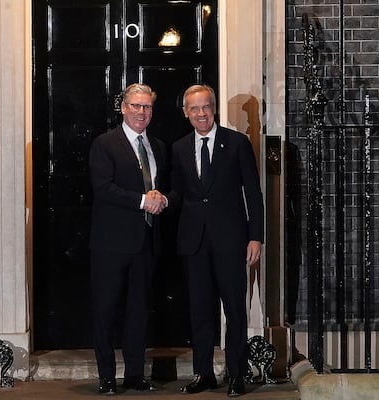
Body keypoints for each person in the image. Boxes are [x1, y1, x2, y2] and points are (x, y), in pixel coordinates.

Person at [167, 84, 264, 397]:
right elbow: (178, 193)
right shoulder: (180, 148)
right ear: (186, 113)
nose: (201, 113)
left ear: (214, 109)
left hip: (231, 241)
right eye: (194, 109)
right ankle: (204, 373)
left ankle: (237, 375)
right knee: (200, 311)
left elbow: (253, 192)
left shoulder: (236, 143)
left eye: (205, 107)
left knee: (235, 310)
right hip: (194, 244)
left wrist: (255, 237)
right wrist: (160, 199)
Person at [88, 83, 167, 395]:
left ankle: (135, 375)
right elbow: (103, 188)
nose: (141, 112)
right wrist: (142, 200)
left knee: (139, 311)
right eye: (136, 106)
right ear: (123, 108)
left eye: (147, 107)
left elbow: (163, 187)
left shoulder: (157, 146)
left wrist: (161, 198)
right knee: (106, 311)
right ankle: (107, 377)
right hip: (110, 244)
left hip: (145, 242)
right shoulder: (105, 144)